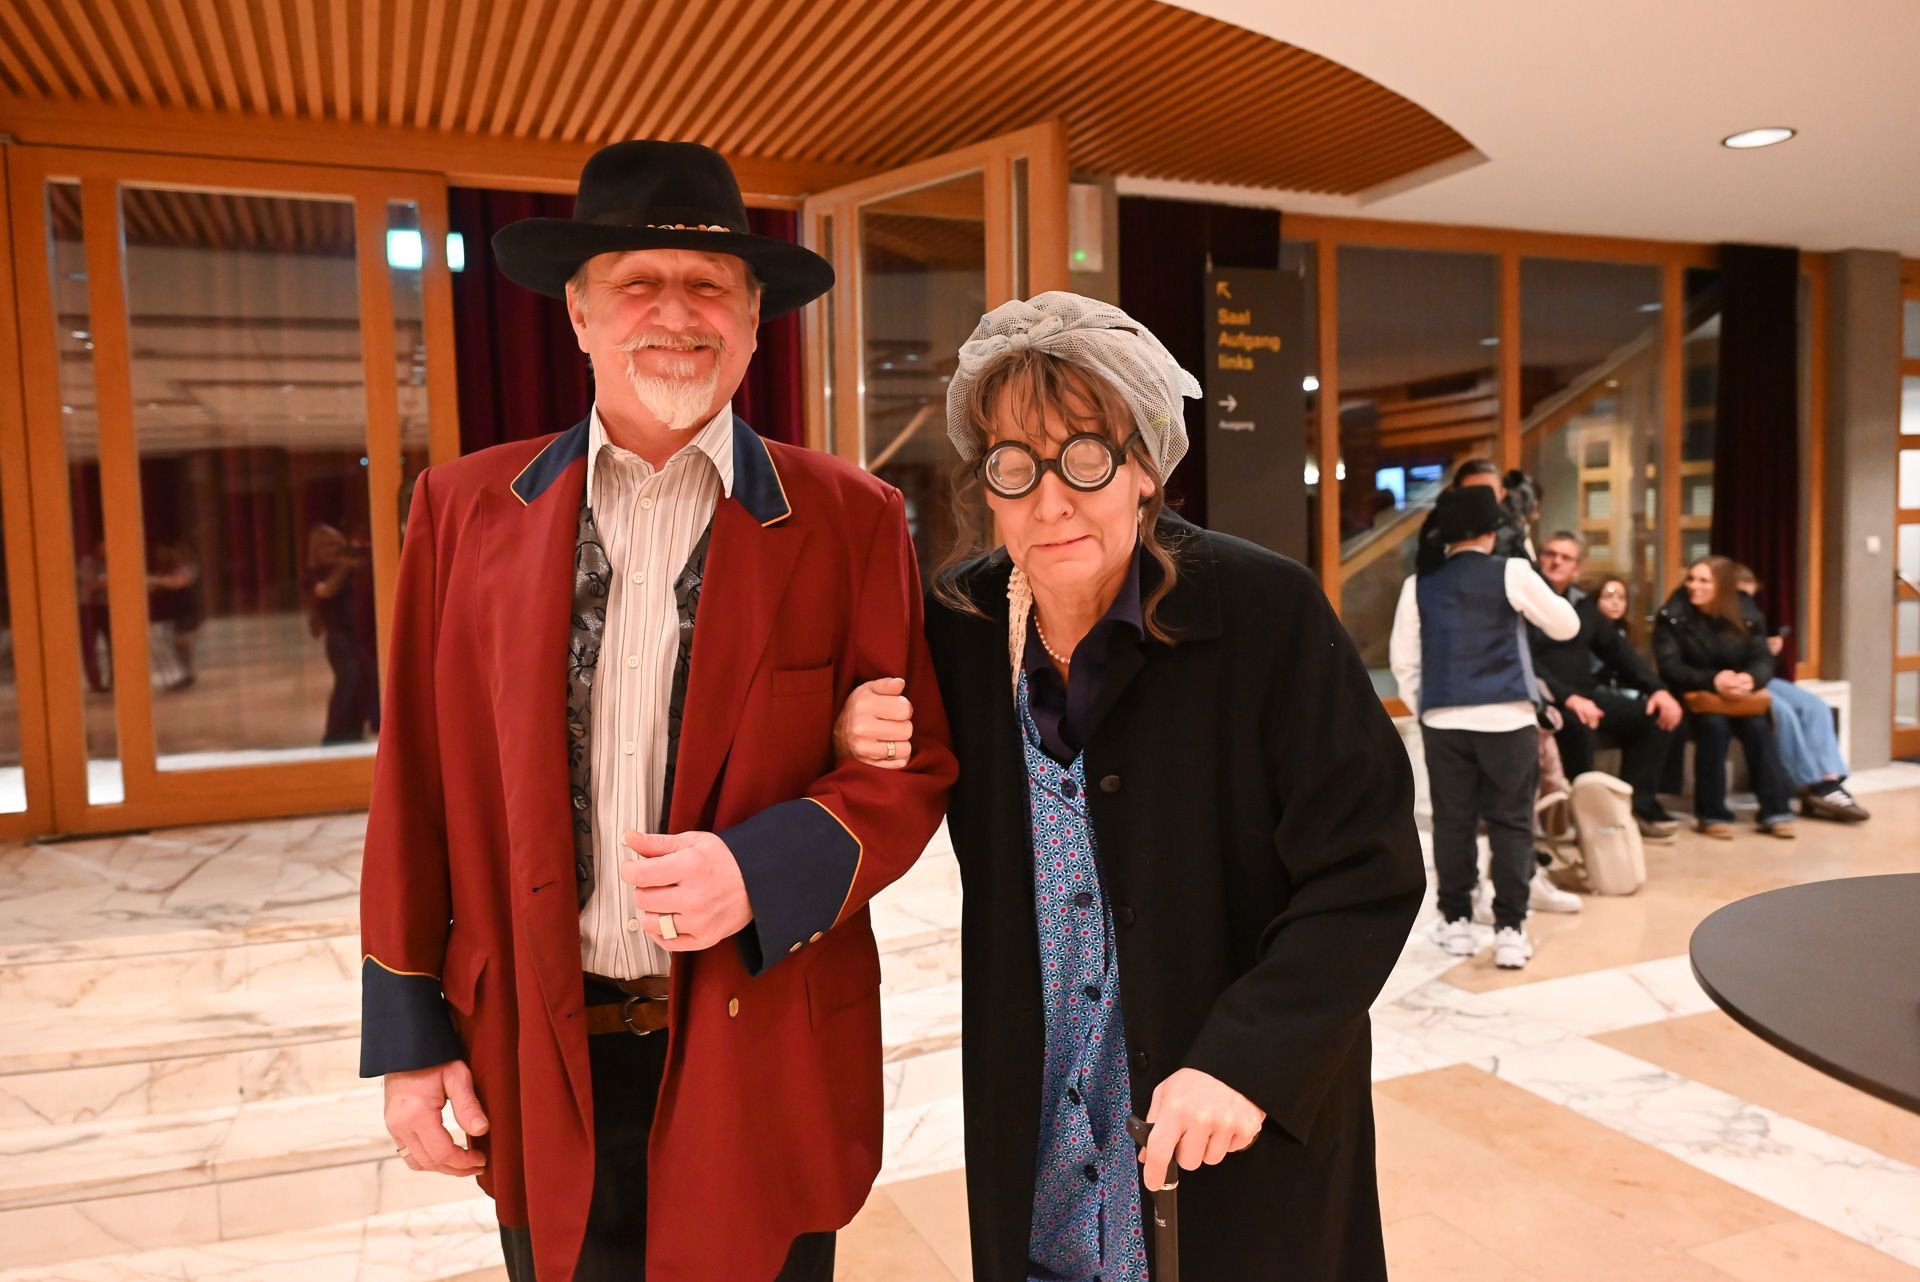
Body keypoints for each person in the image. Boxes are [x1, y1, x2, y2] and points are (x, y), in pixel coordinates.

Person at [358, 140, 957, 1282]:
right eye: (639, 282)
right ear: (578, 314)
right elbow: (417, 779)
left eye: (708, 286)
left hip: (766, 1043)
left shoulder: (853, 517)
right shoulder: (462, 509)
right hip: (539, 1046)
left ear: (752, 322)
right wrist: (410, 1036)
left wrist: (762, 867)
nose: (674, 314)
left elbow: (908, 766)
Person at [918, 294, 1424, 1281]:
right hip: (1044, 1094)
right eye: (1014, 465)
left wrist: (1250, 1053)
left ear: (1146, 465)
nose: (1051, 499)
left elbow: (1366, 866)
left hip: (1222, 1102)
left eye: (1086, 456)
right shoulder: (961, 626)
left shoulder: (1264, 611)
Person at [1390, 486, 1579, 970]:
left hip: (1443, 720)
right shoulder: (1512, 572)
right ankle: (1511, 929)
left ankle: (1455, 923)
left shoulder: (1419, 584)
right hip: (1509, 718)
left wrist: (1428, 707)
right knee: (1512, 822)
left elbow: (1404, 663)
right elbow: (1566, 626)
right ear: (1493, 533)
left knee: (1453, 822)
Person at [1528, 532, 1684, 842]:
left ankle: (1636, 808)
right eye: (1550, 554)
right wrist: (1569, 697)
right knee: (1579, 726)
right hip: (1546, 698)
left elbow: (1619, 653)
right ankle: (1582, 821)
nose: (1555, 561)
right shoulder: (1526, 604)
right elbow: (1529, 663)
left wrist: (1658, 690)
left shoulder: (1585, 607)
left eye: (1565, 557)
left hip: (1585, 694)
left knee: (1656, 718)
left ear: (1577, 569)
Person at [1653, 556, 1796, 839]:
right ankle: (1712, 814)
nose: (1694, 586)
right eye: (1691, 579)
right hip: (1696, 693)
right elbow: (1670, 667)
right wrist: (1713, 680)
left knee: (1758, 727)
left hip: (1738, 694)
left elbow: (1762, 657)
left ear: (1722, 586)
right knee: (1713, 726)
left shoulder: (1745, 610)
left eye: (1704, 581)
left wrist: (1750, 679)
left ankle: (1775, 810)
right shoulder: (1672, 614)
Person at [1731, 566, 1869, 822]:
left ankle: (1829, 780)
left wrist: (1768, 650)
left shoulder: (1752, 617)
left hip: (1760, 678)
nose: (1745, 602)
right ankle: (1810, 786)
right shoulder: (1711, 618)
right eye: (1740, 595)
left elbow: (1759, 663)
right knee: (1783, 714)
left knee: (1815, 707)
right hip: (1733, 682)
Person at [305, 523, 380, 745]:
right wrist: (344, 567)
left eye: (337, 544)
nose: (333, 549)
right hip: (339, 639)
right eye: (327, 545)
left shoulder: (352, 570)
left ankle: (355, 730)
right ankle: (335, 734)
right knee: (348, 680)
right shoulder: (317, 573)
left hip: (360, 637)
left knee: (363, 682)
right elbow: (325, 590)